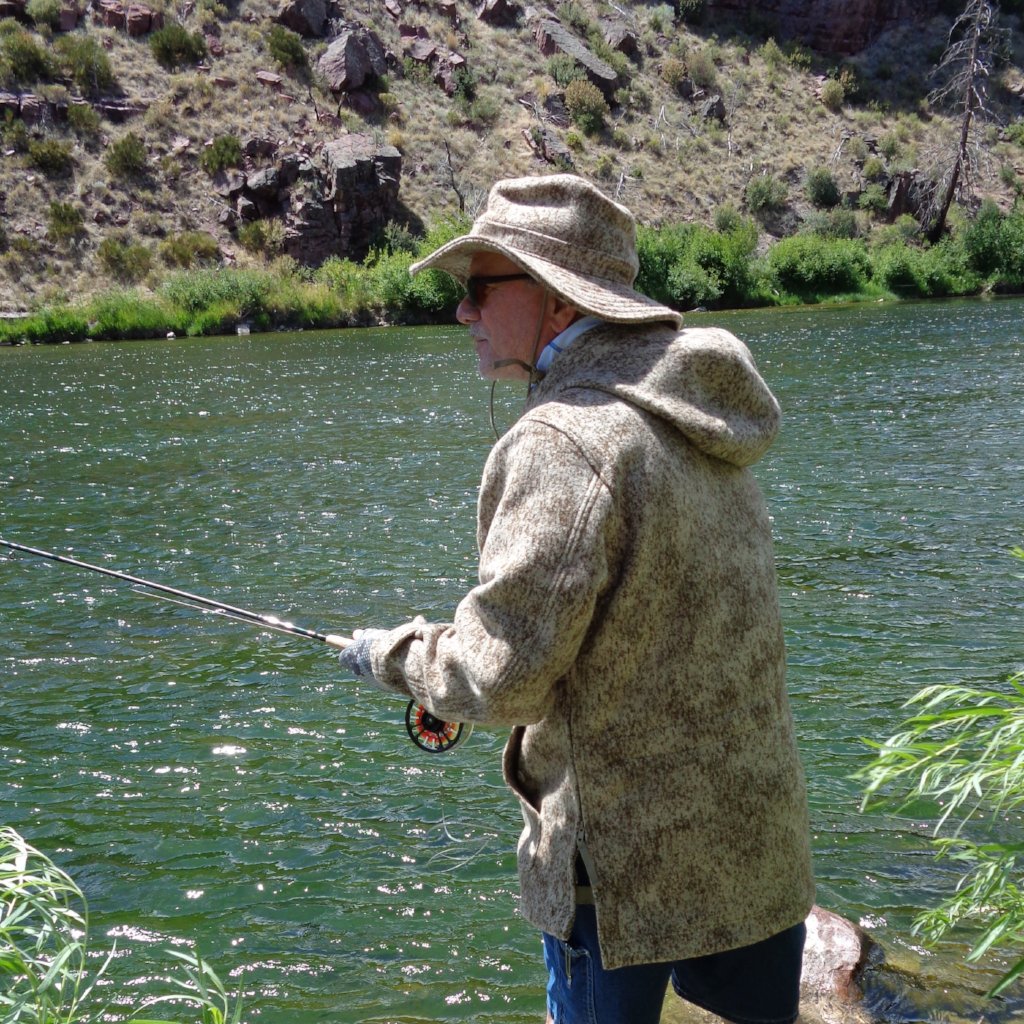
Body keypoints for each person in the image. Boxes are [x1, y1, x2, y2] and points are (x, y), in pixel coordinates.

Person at [339, 174, 815, 1024]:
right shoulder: (700, 410)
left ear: (557, 300)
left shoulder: (565, 440)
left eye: (480, 288)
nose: (462, 313)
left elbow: (501, 678)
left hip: (624, 876)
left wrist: (394, 657)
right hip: (754, 848)